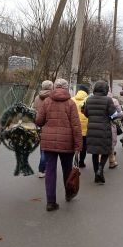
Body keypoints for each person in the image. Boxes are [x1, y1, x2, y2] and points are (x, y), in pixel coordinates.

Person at [35, 79, 82, 211]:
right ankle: (68, 194)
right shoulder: (71, 103)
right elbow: (76, 126)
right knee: (67, 170)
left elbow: (39, 121)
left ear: (55, 87)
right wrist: (78, 145)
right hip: (67, 143)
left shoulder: (47, 102)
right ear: (67, 88)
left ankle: (50, 202)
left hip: (48, 142)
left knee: (50, 171)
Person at [83, 81, 116, 184]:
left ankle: (96, 174)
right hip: (104, 129)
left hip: (92, 128)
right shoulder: (108, 100)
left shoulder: (89, 100)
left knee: (95, 152)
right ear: (105, 89)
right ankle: (100, 168)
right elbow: (113, 114)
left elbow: (86, 113)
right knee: (106, 150)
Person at [34, 80, 54, 178]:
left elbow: (34, 111)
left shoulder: (37, 97)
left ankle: (44, 167)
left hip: (38, 125)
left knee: (43, 147)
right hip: (49, 124)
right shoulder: (52, 98)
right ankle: (42, 168)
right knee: (47, 149)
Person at [71, 84, 89, 168]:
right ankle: (82, 161)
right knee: (84, 145)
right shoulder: (88, 99)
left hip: (74, 126)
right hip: (86, 127)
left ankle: (75, 161)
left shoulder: (72, 100)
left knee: (75, 144)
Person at [108, 90, 123, 169]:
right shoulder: (114, 100)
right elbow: (120, 113)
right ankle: (112, 162)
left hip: (97, 124)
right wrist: (113, 117)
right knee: (111, 144)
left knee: (100, 144)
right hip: (110, 124)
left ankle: (99, 163)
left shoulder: (93, 99)